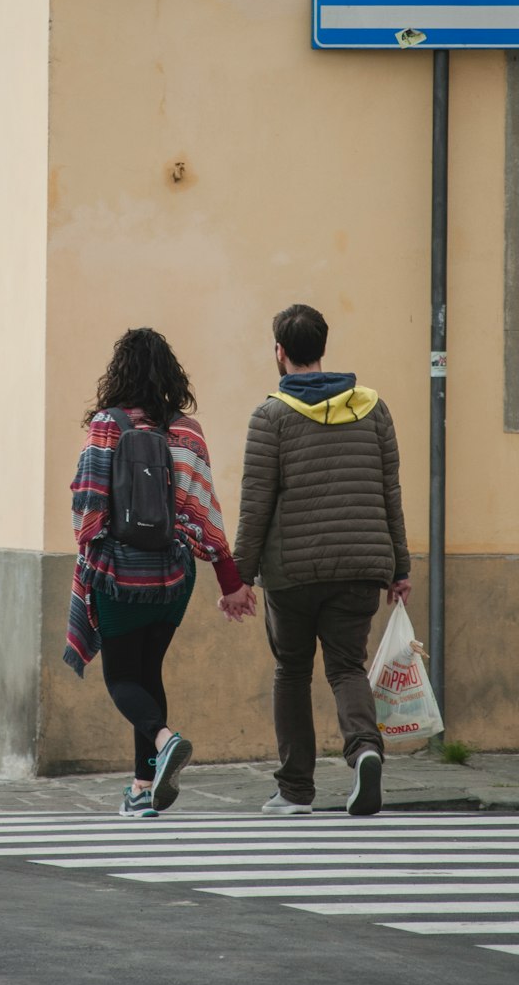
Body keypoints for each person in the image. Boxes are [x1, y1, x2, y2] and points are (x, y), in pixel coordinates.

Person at [228, 303, 411, 817]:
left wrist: (237, 578)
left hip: (293, 573)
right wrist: (399, 567)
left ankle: (295, 790)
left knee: (291, 671)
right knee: (347, 667)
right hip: (361, 567)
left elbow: (256, 503)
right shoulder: (374, 409)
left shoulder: (270, 416)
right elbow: (388, 491)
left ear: (280, 352)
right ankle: (365, 750)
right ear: (322, 347)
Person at [65, 327, 256, 818]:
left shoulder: (107, 425)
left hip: (119, 575)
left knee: (122, 678)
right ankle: (142, 790)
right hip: (173, 577)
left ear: (119, 373)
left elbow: (87, 507)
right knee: (148, 676)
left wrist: (93, 550)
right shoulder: (186, 431)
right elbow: (204, 510)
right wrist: (229, 580)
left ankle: (166, 739)